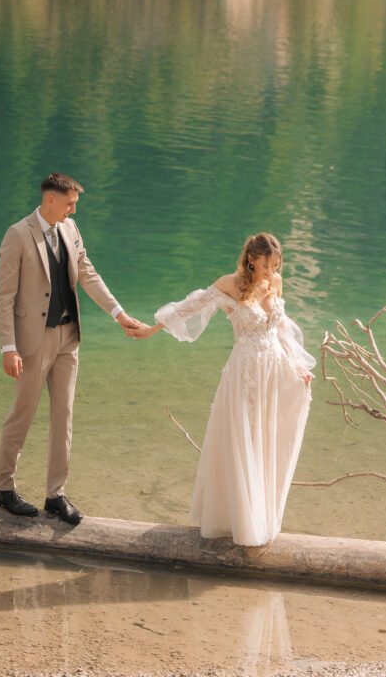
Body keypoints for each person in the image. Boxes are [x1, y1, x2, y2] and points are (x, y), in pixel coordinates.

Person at [131, 233, 315, 546]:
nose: (272, 271)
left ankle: (261, 518)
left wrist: (296, 363)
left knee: (265, 440)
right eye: (267, 265)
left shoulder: (276, 282)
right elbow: (189, 307)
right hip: (244, 372)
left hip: (273, 370)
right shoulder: (228, 284)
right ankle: (240, 523)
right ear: (251, 259)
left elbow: (281, 329)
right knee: (242, 441)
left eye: (276, 265)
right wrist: (152, 329)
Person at [0, 172, 140, 523]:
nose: (73, 212)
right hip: (32, 340)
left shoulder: (71, 231)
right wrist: (8, 347)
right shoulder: (17, 235)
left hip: (68, 337)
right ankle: (3, 488)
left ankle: (55, 495)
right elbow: (4, 297)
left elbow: (87, 273)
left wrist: (118, 314)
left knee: (65, 416)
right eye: (70, 204)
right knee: (22, 414)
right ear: (50, 200)